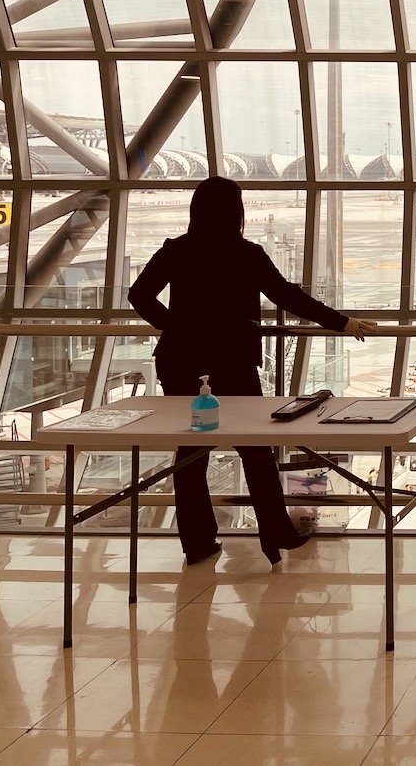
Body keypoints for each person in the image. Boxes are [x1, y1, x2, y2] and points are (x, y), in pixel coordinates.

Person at [129, 176, 377, 567]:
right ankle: (275, 532)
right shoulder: (245, 253)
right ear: (236, 212)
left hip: (180, 360)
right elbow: (287, 296)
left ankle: (197, 542)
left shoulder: (176, 250)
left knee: (191, 453)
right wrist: (341, 322)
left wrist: (175, 326)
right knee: (256, 449)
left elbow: (138, 295)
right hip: (231, 362)